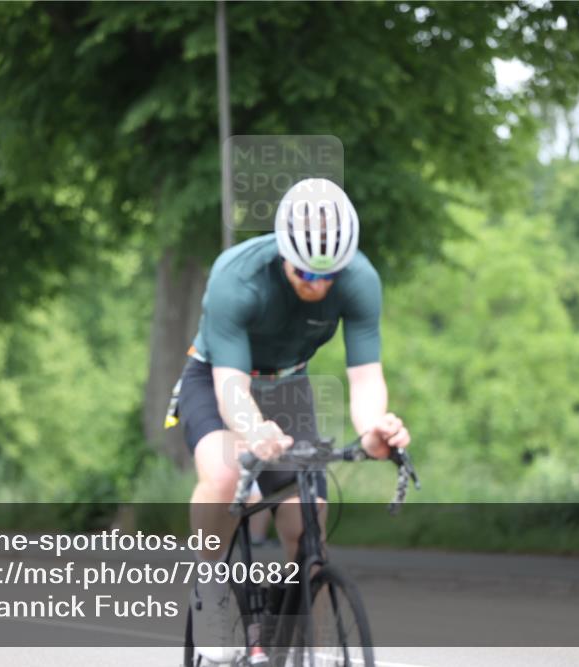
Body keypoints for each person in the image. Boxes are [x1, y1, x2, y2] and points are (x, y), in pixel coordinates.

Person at [171, 178, 411, 663]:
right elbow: (231, 386)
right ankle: (211, 588)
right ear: (283, 249)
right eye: (304, 271)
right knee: (223, 474)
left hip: (287, 384)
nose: (317, 284)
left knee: (309, 518)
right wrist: (252, 429)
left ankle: (312, 642)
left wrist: (375, 428)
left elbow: (366, 377)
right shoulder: (237, 277)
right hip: (216, 379)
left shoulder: (360, 280)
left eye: (329, 275)